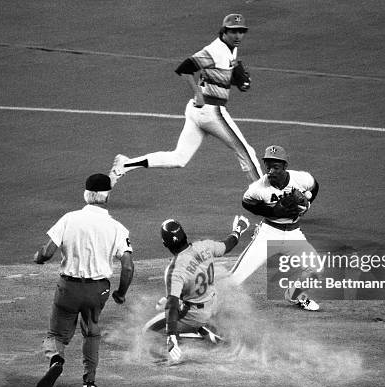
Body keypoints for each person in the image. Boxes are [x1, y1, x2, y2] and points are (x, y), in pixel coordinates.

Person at [109, 13, 263, 187]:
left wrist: (237, 81)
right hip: (211, 112)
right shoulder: (214, 50)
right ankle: (264, 194)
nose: (238, 36)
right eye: (234, 31)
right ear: (224, 31)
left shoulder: (231, 48)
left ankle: (125, 164)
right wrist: (198, 93)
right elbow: (184, 68)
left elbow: (219, 75)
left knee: (179, 158)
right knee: (245, 151)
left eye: (241, 31)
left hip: (197, 112)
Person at [33, 173, 134, 387]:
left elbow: (47, 252)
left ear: (86, 194)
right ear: (107, 196)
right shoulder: (117, 227)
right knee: (91, 332)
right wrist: (120, 293)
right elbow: (127, 266)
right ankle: (89, 382)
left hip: (68, 289)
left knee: (55, 335)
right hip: (98, 290)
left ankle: (56, 360)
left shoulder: (69, 219)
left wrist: (38, 257)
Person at [143, 215, 250, 362]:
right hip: (213, 302)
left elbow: (173, 305)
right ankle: (202, 327)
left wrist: (171, 335)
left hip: (195, 314)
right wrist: (237, 230)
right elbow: (228, 244)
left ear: (165, 244)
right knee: (165, 303)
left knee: (148, 331)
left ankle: (193, 335)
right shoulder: (205, 245)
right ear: (185, 236)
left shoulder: (175, 270)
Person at [227, 145, 321, 311]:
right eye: (268, 166)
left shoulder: (302, 179)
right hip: (268, 234)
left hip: (294, 234)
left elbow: (315, 187)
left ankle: (295, 294)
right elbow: (247, 203)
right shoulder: (257, 188)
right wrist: (273, 211)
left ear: (285, 166)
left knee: (316, 268)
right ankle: (204, 305)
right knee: (235, 277)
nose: (270, 171)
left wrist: (307, 205)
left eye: (275, 167)